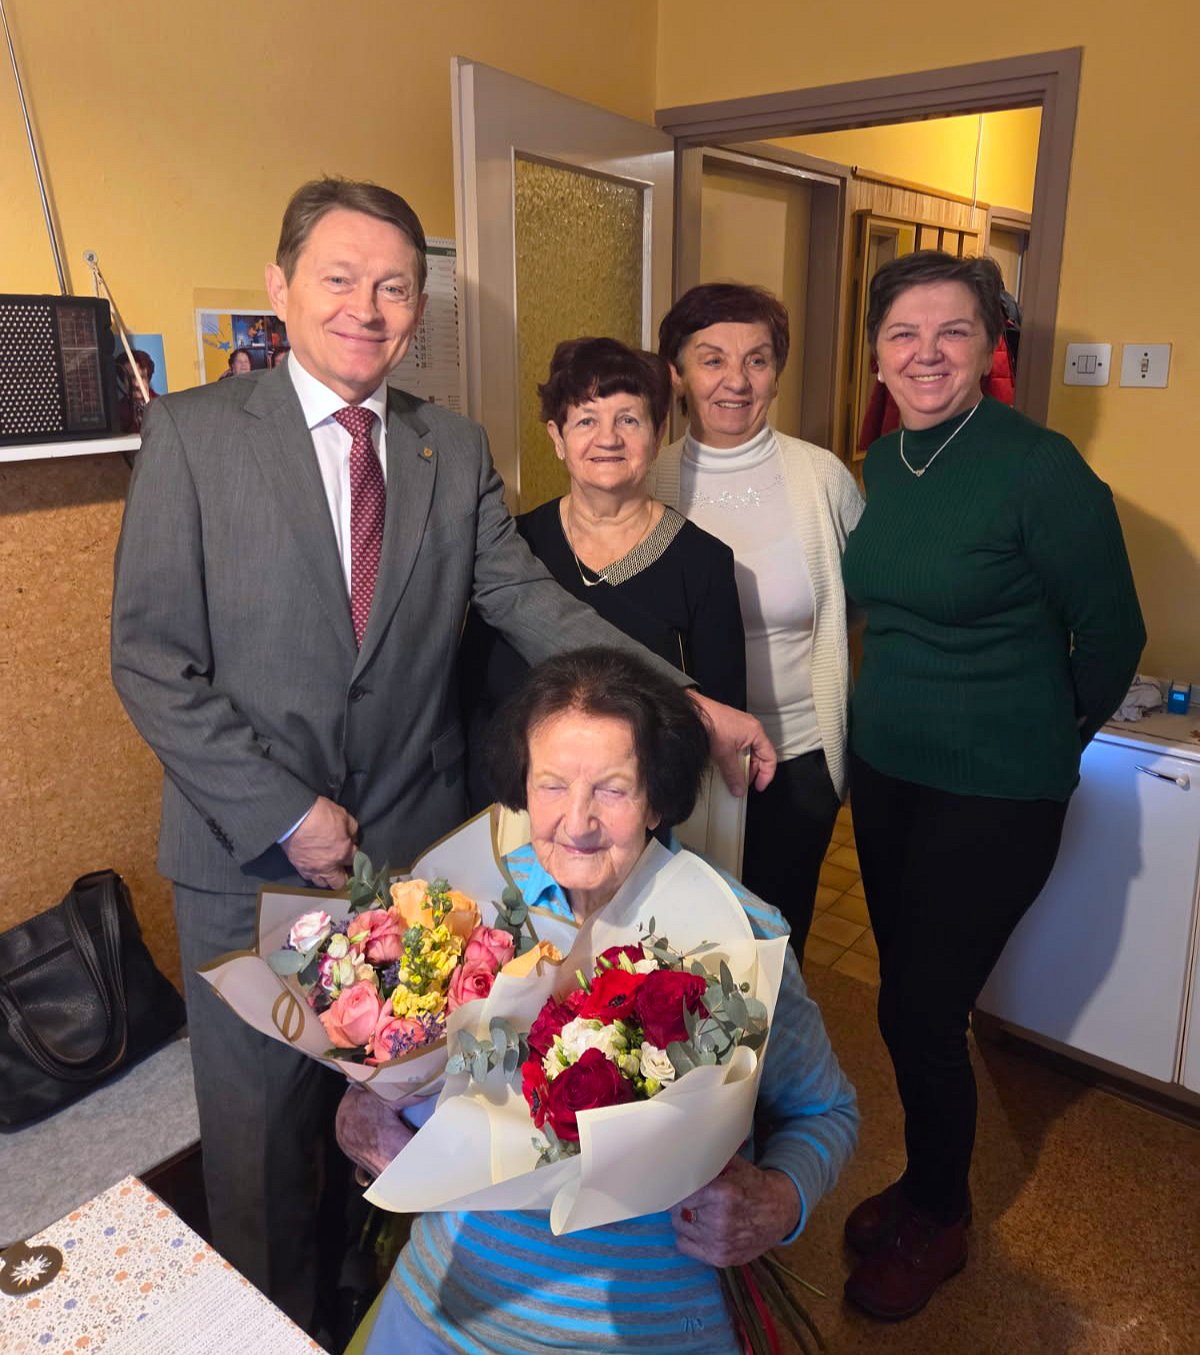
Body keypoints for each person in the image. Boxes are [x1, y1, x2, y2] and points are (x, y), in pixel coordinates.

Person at [110, 178, 775, 1334]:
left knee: (404, 1117)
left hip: (412, 864)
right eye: (339, 278)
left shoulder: (448, 444)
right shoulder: (194, 435)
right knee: (261, 1142)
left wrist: (686, 697)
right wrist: (286, 809)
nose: (366, 308)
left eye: (394, 287)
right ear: (280, 286)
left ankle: (376, 1305)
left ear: (419, 307)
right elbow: (150, 657)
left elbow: (525, 598)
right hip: (245, 860)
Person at [338, 647, 858, 1355]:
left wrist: (779, 1201)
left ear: (659, 799)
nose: (577, 821)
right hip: (450, 1299)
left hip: (642, 1325)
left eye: (612, 790)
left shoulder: (739, 933)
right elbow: (401, 1075)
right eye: (551, 785)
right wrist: (364, 1107)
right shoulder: (461, 906)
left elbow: (829, 1111)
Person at [839, 250, 1145, 1319]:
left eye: (952, 331)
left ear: (988, 347)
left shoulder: (1039, 467)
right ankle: (925, 1178)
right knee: (906, 997)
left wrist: (1042, 740)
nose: (926, 353)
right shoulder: (881, 463)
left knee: (925, 1008)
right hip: (889, 773)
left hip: (998, 789)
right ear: (877, 354)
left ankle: (941, 1214)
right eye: (903, 334)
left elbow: (1113, 634)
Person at [653, 284, 863, 957]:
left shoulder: (821, 478)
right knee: (681, 948)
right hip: (681, 759)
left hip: (798, 760)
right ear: (677, 373)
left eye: (758, 359)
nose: (736, 381)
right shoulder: (647, 478)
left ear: (777, 372)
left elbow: (858, 596)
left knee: (778, 944)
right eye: (712, 359)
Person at [460, 336, 746, 810]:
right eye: (586, 420)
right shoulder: (509, 549)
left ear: (658, 434)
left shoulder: (704, 563)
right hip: (512, 815)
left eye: (628, 419)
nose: (608, 438)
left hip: (643, 823)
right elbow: (473, 702)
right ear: (557, 438)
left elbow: (716, 730)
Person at [115, 347, 158, 433]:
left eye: (142, 377)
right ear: (123, 380)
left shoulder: (162, 406)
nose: (136, 383)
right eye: (131, 377)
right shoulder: (118, 412)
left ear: (148, 378)